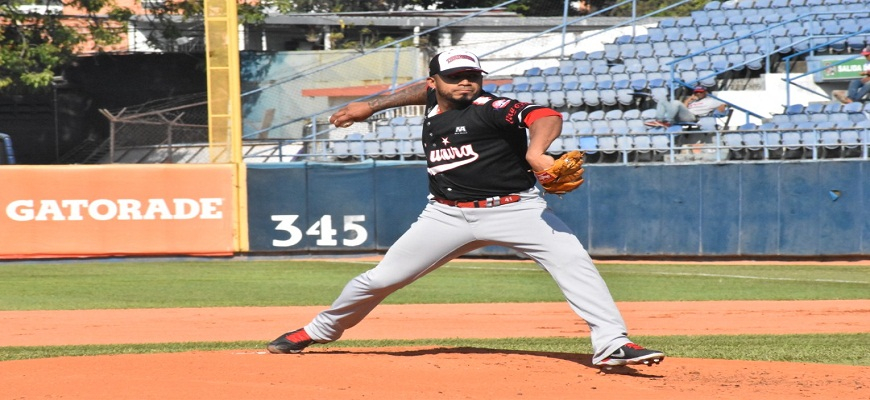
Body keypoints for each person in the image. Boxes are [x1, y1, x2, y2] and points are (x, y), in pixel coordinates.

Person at [267, 49, 665, 369]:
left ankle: (612, 344)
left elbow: (544, 115)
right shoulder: (432, 103)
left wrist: (536, 151)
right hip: (445, 215)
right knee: (379, 280)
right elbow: (415, 95)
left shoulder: (493, 106)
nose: (464, 82)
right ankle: (317, 331)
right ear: (434, 83)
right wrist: (370, 107)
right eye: (454, 77)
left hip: (516, 210)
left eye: (471, 76)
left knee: (575, 263)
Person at [645, 86, 727, 128]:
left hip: (693, 117)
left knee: (676, 102)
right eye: (696, 92)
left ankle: (666, 122)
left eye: (700, 92)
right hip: (683, 115)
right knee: (662, 100)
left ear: (705, 92)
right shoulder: (693, 101)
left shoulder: (711, 100)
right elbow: (683, 108)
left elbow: (724, 104)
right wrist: (689, 99)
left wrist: (720, 108)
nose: (698, 93)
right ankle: (659, 120)